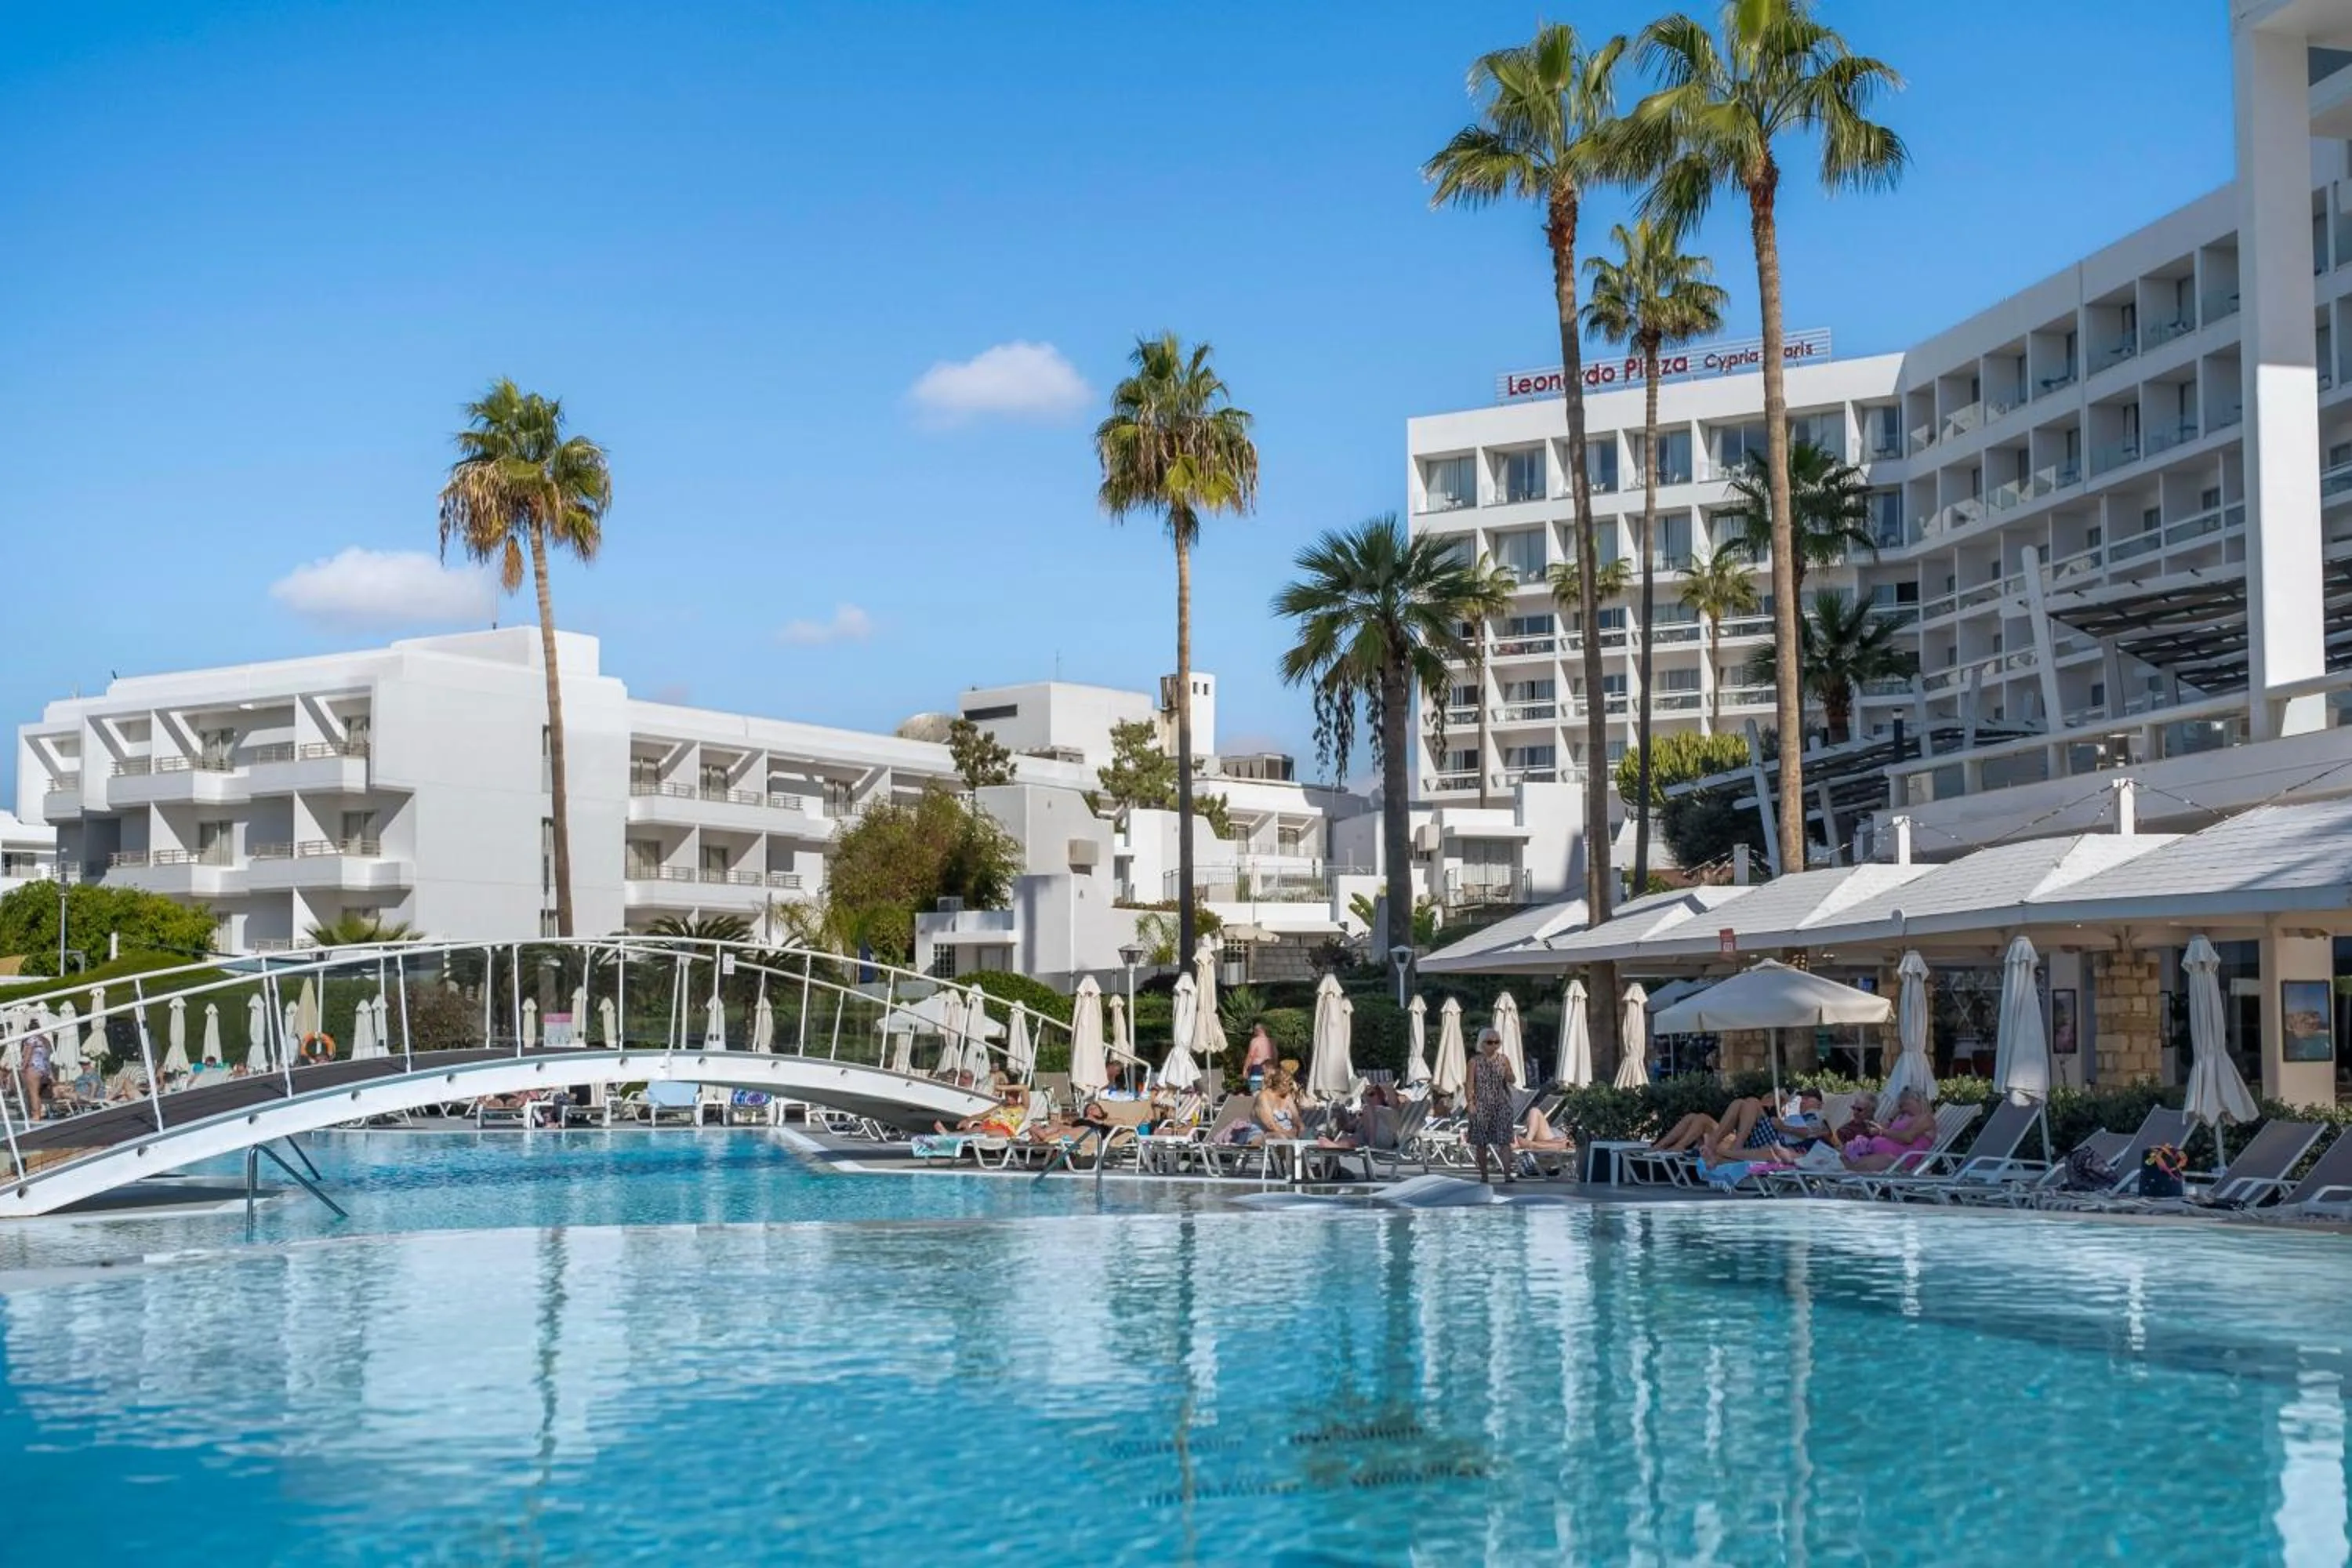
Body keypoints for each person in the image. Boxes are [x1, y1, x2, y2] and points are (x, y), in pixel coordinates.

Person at [1839, 1087, 1939, 1172]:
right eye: (1901, 1105)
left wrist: (1881, 1132)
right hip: (1884, 1155)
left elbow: (1908, 1138)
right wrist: (1894, 1115)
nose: (1903, 1108)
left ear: (1917, 1101)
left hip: (1900, 1161)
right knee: (1846, 1154)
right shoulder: (1905, 1117)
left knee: (1884, 1160)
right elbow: (1885, 1127)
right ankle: (1841, 1169)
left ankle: (1840, 1171)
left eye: (1905, 1104)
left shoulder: (1926, 1118)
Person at [1465, 1026, 1517, 1185]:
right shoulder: (1474, 1062)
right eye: (1490, 1042)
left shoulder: (1503, 1059)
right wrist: (1470, 1104)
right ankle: (1484, 1176)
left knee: (1504, 1141)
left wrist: (1509, 1074)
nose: (1494, 1046)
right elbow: (1469, 1085)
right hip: (1481, 1104)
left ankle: (1507, 1175)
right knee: (1481, 1142)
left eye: (1497, 1042)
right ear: (1482, 1044)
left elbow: (1512, 1079)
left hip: (1501, 1104)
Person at [20, 1030, 53, 1120]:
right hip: (44, 1069)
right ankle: (39, 1112)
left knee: (33, 1093)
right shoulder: (45, 1040)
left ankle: (36, 1114)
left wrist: (23, 1068)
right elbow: (49, 1054)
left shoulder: (31, 1039)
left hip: (33, 1067)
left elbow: (28, 1055)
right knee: (37, 1093)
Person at [1243, 1022, 1276, 1091]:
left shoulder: (1255, 1041)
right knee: (1269, 1094)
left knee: (1256, 1094)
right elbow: (1276, 1056)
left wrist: (1245, 1069)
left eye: (1255, 1030)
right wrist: (1274, 1067)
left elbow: (1251, 1056)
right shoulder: (1271, 1041)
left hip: (1257, 1069)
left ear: (1259, 1030)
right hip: (1270, 1070)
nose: (1254, 1032)